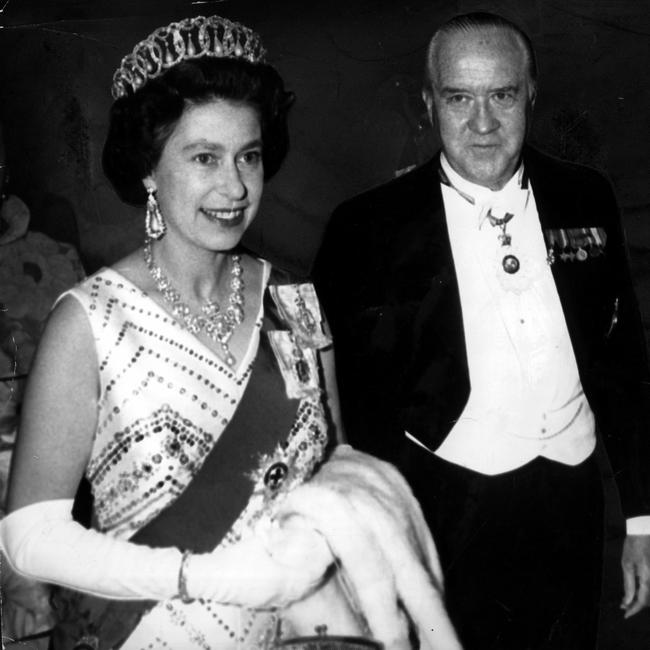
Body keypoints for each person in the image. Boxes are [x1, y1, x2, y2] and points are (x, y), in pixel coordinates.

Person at [0, 15, 462, 650]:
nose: (236, 186)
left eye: (249, 156)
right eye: (203, 158)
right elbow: (30, 536)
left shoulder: (294, 299)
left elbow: (333, 460)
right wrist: (205, 575)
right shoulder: (88, 322)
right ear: (147, 172)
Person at [313, 11, 650, 650]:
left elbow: (623, 360)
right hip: (446, 504)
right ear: (428, 104)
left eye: (501, 95)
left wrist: (644, 518)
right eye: (459, 98)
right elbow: (344, 404)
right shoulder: (368, 227)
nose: (483, 122)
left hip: (572, 497)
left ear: (530, 93)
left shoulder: (585, 196)